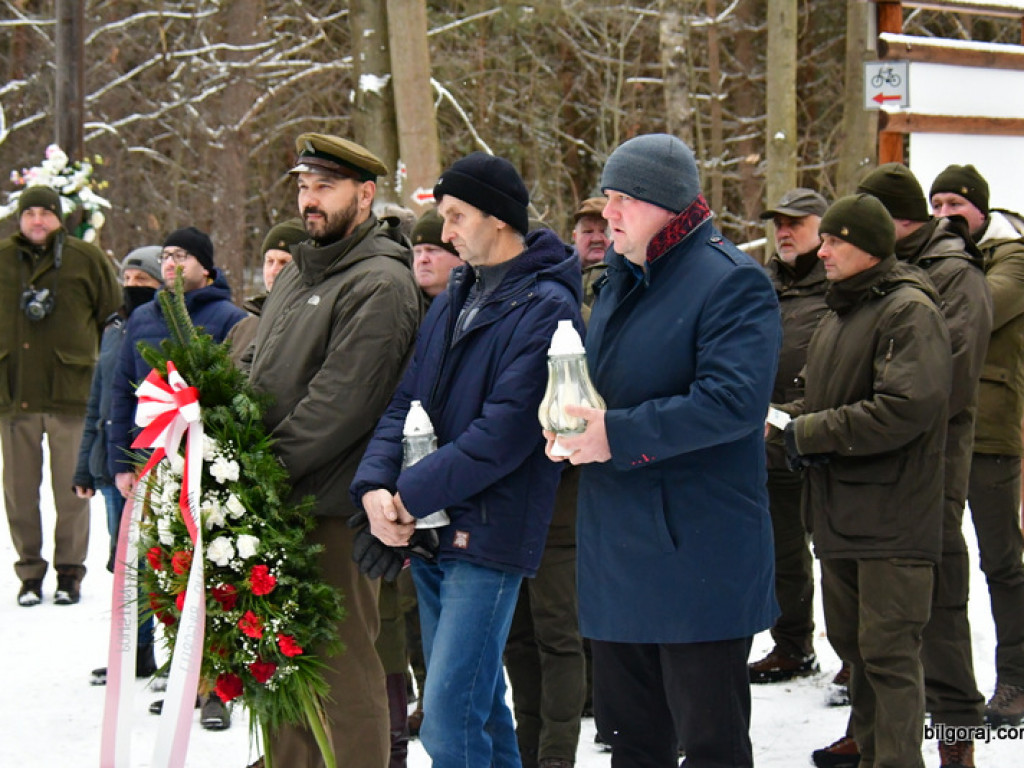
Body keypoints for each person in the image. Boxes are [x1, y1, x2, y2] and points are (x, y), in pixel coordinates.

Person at [550, 133, 781, 767]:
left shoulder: (732, 283)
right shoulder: (620, 282)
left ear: (667, 204)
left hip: (697, 556)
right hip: (618, 553)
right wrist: (570, 426)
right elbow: (609, 392)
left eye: (624, 199)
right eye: (606, 198)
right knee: (633, 746)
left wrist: (614, 435)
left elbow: (733, 404)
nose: (609, 214)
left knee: (710, 747)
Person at [351, 151, 583, 768]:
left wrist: (403, 498)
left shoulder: (548, 308)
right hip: (429, 530)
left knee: (449, 725)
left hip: (488, 533)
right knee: (481, 711)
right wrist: (375, 484)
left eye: (456, 217)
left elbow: (503, 434)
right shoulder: (460, 293)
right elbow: (407, 397)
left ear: (499, 218)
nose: (445, 234)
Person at [248, 132, 422, 768]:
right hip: (276, 499)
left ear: (366, 193)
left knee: (342, 666)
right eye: (302, 186)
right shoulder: (299, 268)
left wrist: (253, 472)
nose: (309, 201)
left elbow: (341, 405)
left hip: (331, 504)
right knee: (281, 664)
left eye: (324, 187)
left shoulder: (381, 284)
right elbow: (261, 371)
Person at [783, 194, 951, 768]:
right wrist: (781, 419)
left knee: (889, 657)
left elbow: (906, 407)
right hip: (841, 517)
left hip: (893, 522)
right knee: (857, 652)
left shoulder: (909, 311)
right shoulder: (842, 311)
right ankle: (871, 753)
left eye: (834, 240)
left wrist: (810, 432)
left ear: (869, 247)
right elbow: (828, 400)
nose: (822, 250)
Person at [858, 164, 991, 766]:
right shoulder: (883, 268)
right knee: (881, 618)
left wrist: (877, 411)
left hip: (933, 467)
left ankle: (958, 737)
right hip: (880, 468)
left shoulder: (953, 274)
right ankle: (874, 737)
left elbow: (948, 384)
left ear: (895, 219)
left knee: (939, 603)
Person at [108, 225, 246, 731]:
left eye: (182, 256)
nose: (170, 264)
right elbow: (123, 395)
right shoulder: (143, 318)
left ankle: (218, 686)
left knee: (215, 570)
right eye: (165, 256)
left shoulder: (229, 318)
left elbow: (238, 389)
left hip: (209, 463)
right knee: (167, 567)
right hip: (153, 463)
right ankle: (181, 671)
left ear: (206, 268)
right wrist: (121, 463)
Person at [930, 164, 1024, 729]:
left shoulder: (1013, 257)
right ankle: (939, 680)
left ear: (980, 213)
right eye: (935, 204)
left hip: (989, 432)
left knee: (1003, 564)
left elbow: (973, 313)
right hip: (938, 428)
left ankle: (1016, 675)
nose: (944, 216)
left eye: (955, 206)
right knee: (935, 559)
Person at [0, 185, 120, 606]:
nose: (37, 221)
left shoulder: (86, 259)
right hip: (14, 394)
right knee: (18, 490)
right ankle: (29, 573)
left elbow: (113, 317)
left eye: (45, 213)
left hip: (72, 394)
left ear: (59, 217)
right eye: (29, 213)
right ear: (19, 218)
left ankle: (70, 572)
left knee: (73, 491)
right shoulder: (1, 259)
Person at [748, 187, 829, 685]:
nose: (784, 231)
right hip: (769, 439)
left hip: (825, 436)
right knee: (783, 550)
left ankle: (858, 662)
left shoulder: (840, 283)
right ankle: (793, 644)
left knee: (838, 557)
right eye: (778, 222)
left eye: (796, 222)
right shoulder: (759, 283)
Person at [73, 245, 163, 684]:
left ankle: (180, 658)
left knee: (163, 560)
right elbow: (100, 401)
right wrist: (84, 467)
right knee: (124, 562)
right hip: (113, 465)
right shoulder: (112, 328)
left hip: (157, 460)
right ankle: (134, 649)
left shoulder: (166, 327)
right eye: (128, 280)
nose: (133, 288)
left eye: (144, 281)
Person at [226, 218, 305, 367]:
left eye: (284, 263)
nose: (273, 271)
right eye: (269, 261)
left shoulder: (313, 324)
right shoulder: (243, 328)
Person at [410, 207, 463, 301]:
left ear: (461, 258)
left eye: (432, 250)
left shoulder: (473, 305)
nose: (422, 259)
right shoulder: (403, 301)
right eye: (417, 251)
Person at [570, 196, 610, 310]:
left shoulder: (629, 276)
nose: (597, 239)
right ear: (575, 236)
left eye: (604, 231)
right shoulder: (559, 273)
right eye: (588, 232)